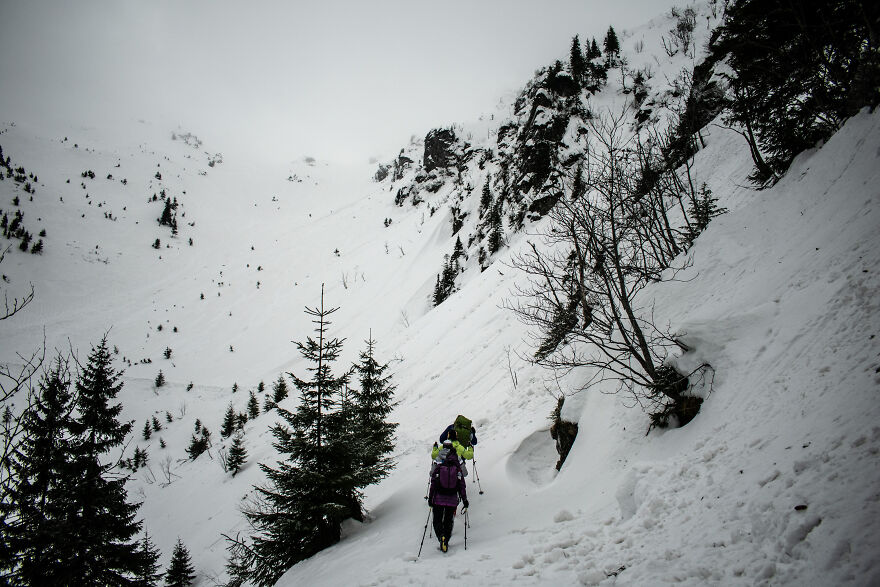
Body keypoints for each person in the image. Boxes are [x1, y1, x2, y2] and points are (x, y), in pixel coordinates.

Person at [428, 442, 468, 553]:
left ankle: (441, 537)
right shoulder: (457, 460)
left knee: (437, 520)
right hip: (452, 498)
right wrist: (464, 499)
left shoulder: (438, 458)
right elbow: (463, 479)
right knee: (448, 521)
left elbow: (433, 477)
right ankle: (446, 539)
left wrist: (430, 498)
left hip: (438, 497)